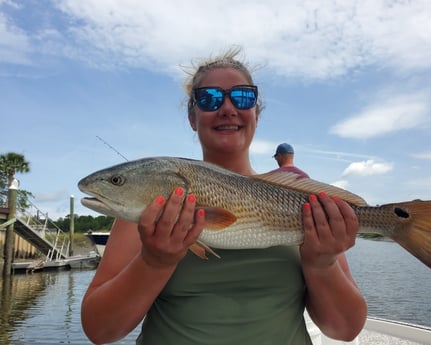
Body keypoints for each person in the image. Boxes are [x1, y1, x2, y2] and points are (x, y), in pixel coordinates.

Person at [80, 47, 367, 345]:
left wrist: (323, 264)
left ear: (256, 113)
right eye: (209, 99)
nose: (227, 108)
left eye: (243, 97)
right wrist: (154, 262)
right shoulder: (142, 215)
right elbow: (100, 331)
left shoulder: (302, 203)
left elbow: (344, 330)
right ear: (193, 118)